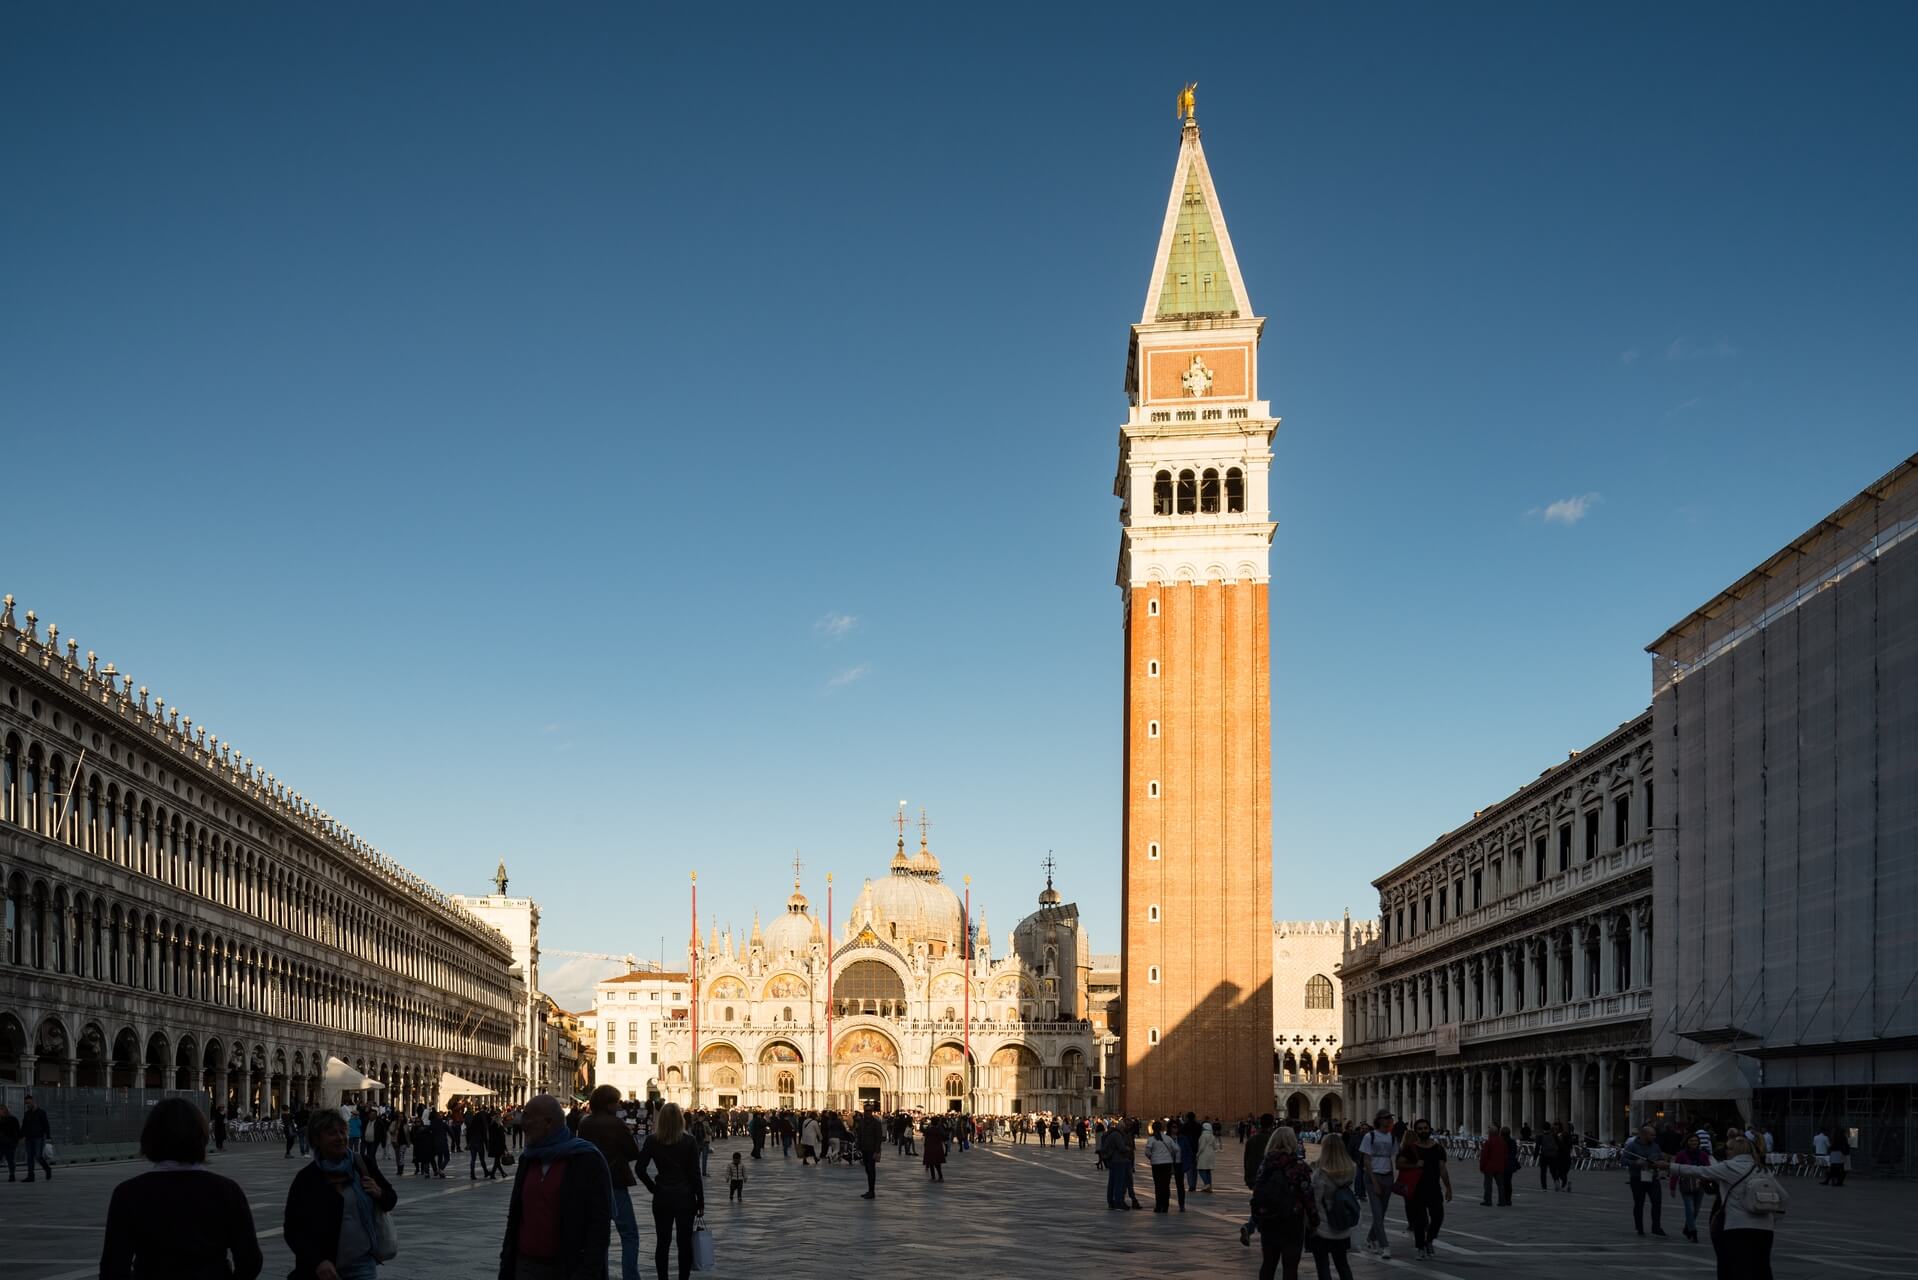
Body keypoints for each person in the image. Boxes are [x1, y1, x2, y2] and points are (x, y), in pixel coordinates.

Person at [100, 1097, 264, 1279]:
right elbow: (250, 1260)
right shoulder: (226, 1190)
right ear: (201, 1137)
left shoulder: (128, 1193)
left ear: (149, 1138)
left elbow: (113, 1267)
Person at [500, 1094, 614, 1280]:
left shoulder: (585, 1159)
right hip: (525, 1267)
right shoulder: (528, 1159)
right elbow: (516, 1216)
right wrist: (507, 1265)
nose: (523, 1123)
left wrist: (587, 1271)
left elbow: (599, 1224)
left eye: (528, 1116)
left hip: (567, 1268)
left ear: (548, 1122)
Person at [284, 1108, 398, 1280]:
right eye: (331, 1133)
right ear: (317, 1139)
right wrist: (318, 1261)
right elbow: (293, 1229)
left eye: (342, 1131)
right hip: (321, 1270)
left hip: (361, 1265)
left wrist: (379, 1192)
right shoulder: (307, 1179)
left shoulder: (362, 1165)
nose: (340, 1138)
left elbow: (390, 1200)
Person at [1671, 1133, 1780, 1279]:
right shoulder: (1762, 1169)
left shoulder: (1728, 1167)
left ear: (1737, 1151)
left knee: (1735, 1266)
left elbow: (1698, 1171)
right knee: (1762, 1267)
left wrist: (1668, 1166)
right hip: (1765, 1228)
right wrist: (1773, 1218)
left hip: (1737, 1226)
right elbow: (1783, 1197)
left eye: (1728, 1148)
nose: (1725, 1151)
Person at [580, 1086, 644, 1280]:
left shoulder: (585, 1123)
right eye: (615, 1102)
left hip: (592, 1186)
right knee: (629, 1234)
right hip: (615, 1183)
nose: (618, 1105)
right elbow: (633, 1152)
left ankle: (601, 1275)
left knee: (599, 1235)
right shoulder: (616, 1124)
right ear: (607, 1104)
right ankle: (630, 1276)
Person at [636, 1102, 704, 1280]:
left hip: (662, 1197)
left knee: (662, 1243)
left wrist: (654, 1188)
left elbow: (639, 1169)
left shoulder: (652, 1140)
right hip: (685, 1197)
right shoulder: (689, 1141)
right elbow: (695, 1174)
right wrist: (700, 1200)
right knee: (684, 1244)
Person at [1249, 1126, 1316, 1280]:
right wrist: (1314, 1221)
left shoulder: (1265, 1165)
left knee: (1268, 1264)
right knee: (1291, 1267)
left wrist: (1256, 1217)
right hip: (1292, 1220)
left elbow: (1257, 1190)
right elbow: (1308, 1196)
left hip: (1269, 1219)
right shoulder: (1299, 1166)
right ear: (1292, 1141)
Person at [1397, 1118, 1452, 1261]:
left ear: (1430, 1129)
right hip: (1416, 1189)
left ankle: (1430, 1240)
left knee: (1438, 1217)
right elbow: (1399, 1165)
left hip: (1433, 1188)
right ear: (1416, 1131)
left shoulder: (1438, 1148)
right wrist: (1415, 1165)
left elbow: (1442, 1169)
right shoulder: (1410, 1148)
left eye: (1425, 1128)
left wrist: (1448, 1187)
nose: (1423, 1131)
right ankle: (1420, 1247)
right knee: (1419, 1221)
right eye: (1420, 1129)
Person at [1307, 1136, 1359, 1280]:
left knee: (1322, 1265)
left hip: (1323, 1225)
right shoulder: (1351, 1169)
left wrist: (1311, 1224)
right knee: (1342, 1263)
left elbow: (1316, 1201)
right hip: (1343, 1223)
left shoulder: (1321, 1173)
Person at [1356, 1110, 1397, 1259]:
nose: (1388, 1121)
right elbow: (1366, 1160)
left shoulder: (1391, 1138)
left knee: (1382, 1212)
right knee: (1377, 1214)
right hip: (1373, 1177)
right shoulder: (1369, 1136)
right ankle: (1384, 1245)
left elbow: (1390, 1159)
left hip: (1387, 1176)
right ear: (1379, 1120)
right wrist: (1374, 1181)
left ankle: (1370, 1238)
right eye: (1386, 1118)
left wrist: (1392, 1178)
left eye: (1390, 1119)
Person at [1623, 1124, 1669, 1237]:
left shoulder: (1655, 1146)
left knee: (1657, 1202)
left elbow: (1661, 1158)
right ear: (1644, 1135)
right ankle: (1639, 1227)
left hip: (1653, 1177)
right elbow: (1623, 1159)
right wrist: (1635, 1163)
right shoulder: (1632, 1146)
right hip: (1637, 1178)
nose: (1654, 1137)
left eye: (1655, 1135)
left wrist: (1660, 1164)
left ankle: (1656, 1227)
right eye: (1652, 1135)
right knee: (1639, 1203)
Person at [1671, 1131, 1711, 1241]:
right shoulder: (1681, 1155)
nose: (1694, 1143)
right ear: (1687, 1142)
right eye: (1691, 1141)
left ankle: (1687, 1227)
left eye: (1695, 1141)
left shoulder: (1703, 1155)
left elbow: (1708, 1169)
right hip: (1686, 1184)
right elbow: (1675, 1170)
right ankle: (1693, 1230)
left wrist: (1709, 1181)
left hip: (1700, 1184)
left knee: (1696, 1210)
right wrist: (1672, 1187)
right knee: (1690, 1208)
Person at [1145, 1120, 1180, 1212]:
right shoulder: (1168, 1138)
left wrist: (1152, 1157)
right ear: (1162, 1128)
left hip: (1156, 1164)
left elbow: (1147, 1152)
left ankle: (1158, 1206)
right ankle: (1165, 1206)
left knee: (1158, 1185)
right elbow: (1176, 1149)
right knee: (1166, 1185)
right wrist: (1170, 1155)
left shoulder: (1151, 1139)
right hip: (1167, 1164)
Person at [20, 1093, 52, 1181]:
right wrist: (21, 1136)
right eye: (26, 1103)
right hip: (29, 1138)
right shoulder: (27, 1114)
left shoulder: (41, 1112)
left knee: (38, 1156)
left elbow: (46, 1124)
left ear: (33, 1102)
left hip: (39, 1137)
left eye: (29, 1103)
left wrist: (48, 1136)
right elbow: (24, 1126)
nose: (28, 1105)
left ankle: (47, 1169)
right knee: (29, 1157)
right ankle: (31, 1176)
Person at [854, 1106, 884, 1199]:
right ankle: (870, 1190)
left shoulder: (876, 1123)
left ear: (872, 1112)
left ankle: (872, 1191)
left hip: (872, 1149)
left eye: (870, 1111)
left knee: (871, 1170)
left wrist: (877, 1151)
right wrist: (858, 1148)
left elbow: (879, 1138)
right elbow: (859, 1135)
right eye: (866, 1111)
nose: (868, 1112)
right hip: (864, 1149)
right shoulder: (862, 1122)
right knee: (867, 1169)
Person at [1478, 1126, 1503, 1205]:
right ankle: (1502, 1201)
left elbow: (1484, 1156)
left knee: (1488, 1184)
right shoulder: (1502, 1142)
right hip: (1499, 1166)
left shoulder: (1488, 1142)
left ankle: (1488, 1200)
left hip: (1489, 1167)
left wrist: (1482, 1167)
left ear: (1490, 1133)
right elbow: (1505, 1155)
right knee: (1501, 1185)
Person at [923, 1114, 948, 1182]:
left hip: (930, 1147)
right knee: (937, 1163)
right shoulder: (939, 1130)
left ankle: (933, 1177)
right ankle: (940, 1177)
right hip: (937, 1148)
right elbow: (945, 1136)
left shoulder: (929, 1129)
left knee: (931, 1163)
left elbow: (925, 1136)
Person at [1534, 1122, 1558, 1190]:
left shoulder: (1540, 1136)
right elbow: (1558, 1144)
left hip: (1544, 1156)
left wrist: (1535, 1157)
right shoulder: (1554, 1135)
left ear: (1542, 1128)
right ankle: (1556, 1181)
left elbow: (1537, 1147)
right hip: (1553, 1155)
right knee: (1553, 1170)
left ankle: (1544, 1186)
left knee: (1543, 1172)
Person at [1195, 1121, 1218, 1191]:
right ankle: (1209, 1187)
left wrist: (1197, 1154)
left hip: (1204, 1155)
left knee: (1201, 1170)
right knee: (1208, 1171)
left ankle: (1206, 1184)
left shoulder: (1203, 1136)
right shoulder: (1212, 1136)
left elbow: (1201, 1147)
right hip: (1211, 1154)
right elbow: (1215, 1147)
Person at [0, 1103, 18, 1181]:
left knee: (10, 1160)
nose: (0, 1111)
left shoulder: (12, 1119)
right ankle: (12, 1175)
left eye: (1, 1109)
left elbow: (16, 1131)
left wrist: (14, 1142)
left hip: (9, 1143)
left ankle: (12, 1175)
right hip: (1, 1143)